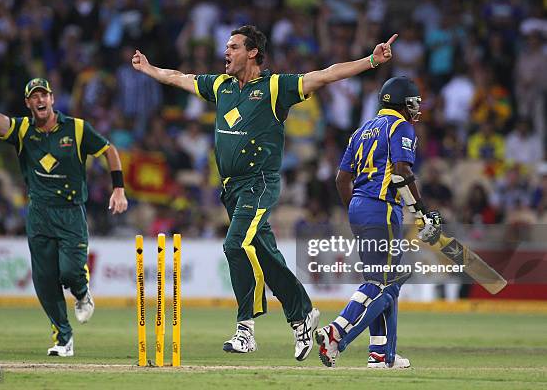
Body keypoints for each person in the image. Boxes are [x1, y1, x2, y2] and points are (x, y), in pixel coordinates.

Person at [131, 25, 397, 361]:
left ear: (253, 51)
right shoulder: (220, 85)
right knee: (266, 255)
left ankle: (245, 328)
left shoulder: (275, 87)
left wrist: (371, 60)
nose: (225, 53)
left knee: (235, 244)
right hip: (231, 189)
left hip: (259, 183)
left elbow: (326, 75)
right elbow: (179, 77)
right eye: (226, 47)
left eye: (233, 47)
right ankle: (302, 315)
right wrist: (150, 69)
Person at [0, 58, 128, 357]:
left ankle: (82, 293)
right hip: (40, 214)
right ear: (28, 103)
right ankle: (64, 338)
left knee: (70, 273)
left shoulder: (77, 129)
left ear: (52, 99)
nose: (40, 99)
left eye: (44, 94)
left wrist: (118, 188)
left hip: (70, 212)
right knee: (44, 281)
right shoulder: (21, 130)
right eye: (34, 96)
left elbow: (109, 150)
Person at [314, 76, 442, 368]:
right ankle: (337, 333)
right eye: (413, 102)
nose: (416, 107)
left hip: (361, 205)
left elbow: (341, 179)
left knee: (388, 281)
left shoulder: (361, 130)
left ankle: (382, 354)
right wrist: (422, 212)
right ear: (401, 102)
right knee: (383, 283)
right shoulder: (400, 126)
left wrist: (358, 208)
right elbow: (400, 172)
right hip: (382, 208)